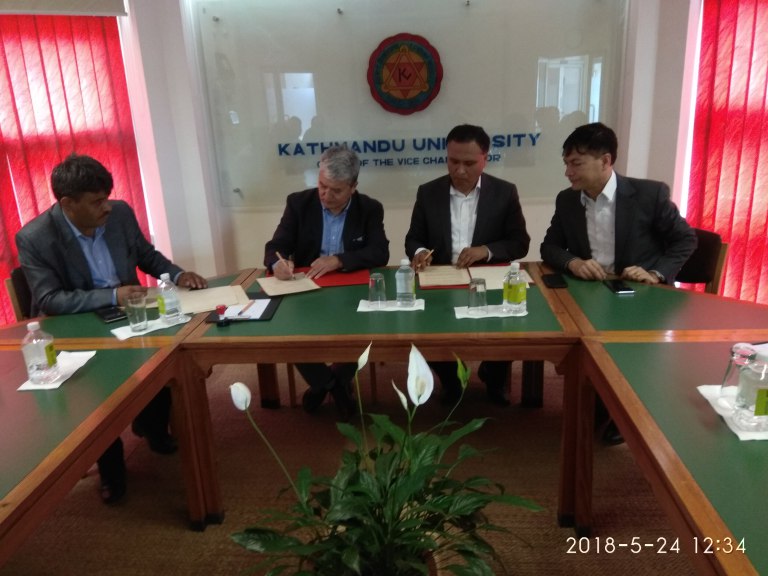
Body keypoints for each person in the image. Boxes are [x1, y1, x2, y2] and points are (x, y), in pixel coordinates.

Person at [16, 153, 208, 504]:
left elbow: (146, 255)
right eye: (96, 202)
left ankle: (152, 427)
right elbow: (50, 299)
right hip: (77, 324)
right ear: (68, 204)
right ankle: (111, 466)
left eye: (106, 197)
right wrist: (112, 295)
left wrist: (178, 275)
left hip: (128, 311)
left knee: (166, 350)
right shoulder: (35, 237)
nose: (106, 207)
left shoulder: (119, 214)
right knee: (98, 389)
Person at [540, 122, 697, 443]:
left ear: (605, 161)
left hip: (639, 294)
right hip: (590, 291)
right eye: (566, 164)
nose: (568, 173)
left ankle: (622, 413)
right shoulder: (568, 200)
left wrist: (656, 273)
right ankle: (597, 399)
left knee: (625, 351)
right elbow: (549, 247)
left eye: (576, 164)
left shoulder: (649, 195)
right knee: (569, 334)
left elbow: (685, 239)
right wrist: (573, 262)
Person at [405, 124, 530, 406]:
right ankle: (451, 381)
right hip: (442, 278)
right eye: (453, 161)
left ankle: (494, 378)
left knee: (507, 327)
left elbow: (519, 242)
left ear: (486, 158)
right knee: (428, 330)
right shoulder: (429, 192)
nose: (460, 170)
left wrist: (485, 251)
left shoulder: (504, 192)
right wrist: (421, 252)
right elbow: (413, 238)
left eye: (469, 163)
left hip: (487, 279)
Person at [264, 146, 389, 419]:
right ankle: (333, 385)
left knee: (367, 329)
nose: (326, 195)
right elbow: (276, 246)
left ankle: (326, 383)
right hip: (307, 291)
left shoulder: (369, 208)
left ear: (353, 187)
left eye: (336, 190)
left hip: (352, 291)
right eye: (322, 185)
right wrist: (278, 263)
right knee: (289, 334)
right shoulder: (298, 203)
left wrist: (339, 260)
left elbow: (380, 253)